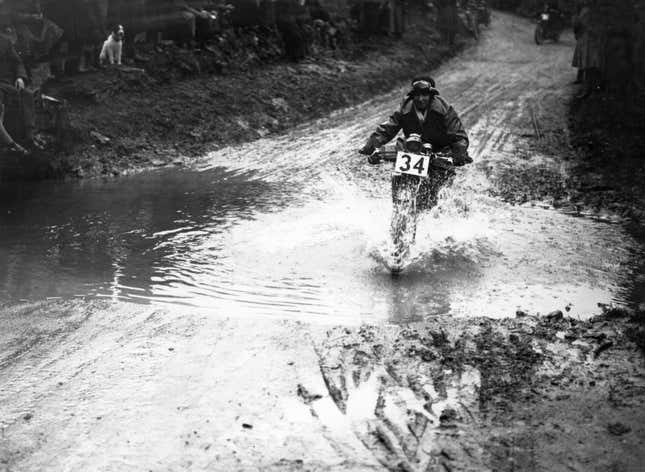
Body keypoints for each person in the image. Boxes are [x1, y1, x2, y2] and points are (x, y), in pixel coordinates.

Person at [359, 76, 470, 166]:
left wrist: (458, 154)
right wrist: (370, 147)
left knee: (444, 172)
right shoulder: (405, 107)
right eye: (417, 95)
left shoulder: (444, 109)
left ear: (432, 96)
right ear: (412, 96)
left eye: (424, 95)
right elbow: (388, 128)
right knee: (389, 156)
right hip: (413, 147)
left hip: (440, 151)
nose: (420, 99)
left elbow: (458, 134)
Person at [0, 25, 33, 155]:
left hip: (7, 83)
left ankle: (30, 137)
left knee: (27, 94)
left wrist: (20, 77)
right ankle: (10, 144)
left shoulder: (4, 41)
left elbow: (18, 62)